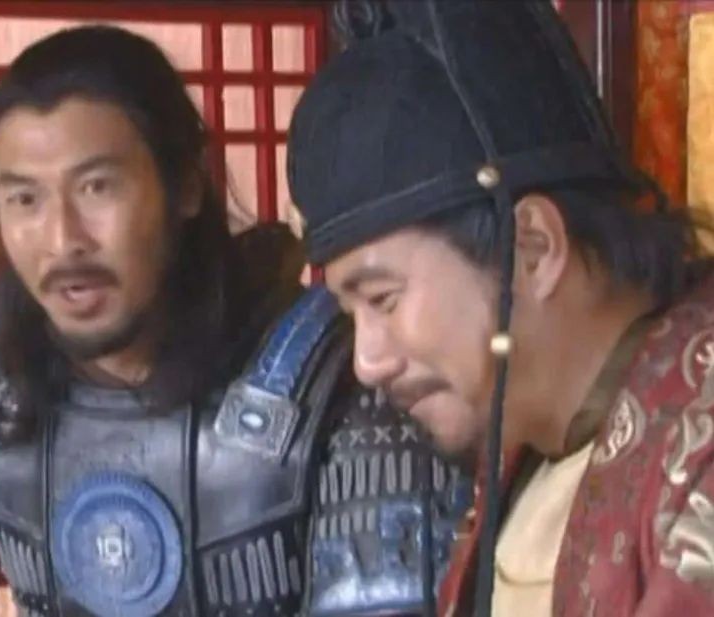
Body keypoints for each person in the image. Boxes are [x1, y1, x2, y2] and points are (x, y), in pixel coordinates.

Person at [0, 25, 467, 617]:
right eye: (25, 199)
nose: (63, 240)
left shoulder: (341, 383)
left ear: (186, 184)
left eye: (98, 187)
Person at [288, 1, 714, 616]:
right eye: (352, 315)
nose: (367, 362)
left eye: (383, 299)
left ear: (533, 249)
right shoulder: (520, 450)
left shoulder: (698, 459)